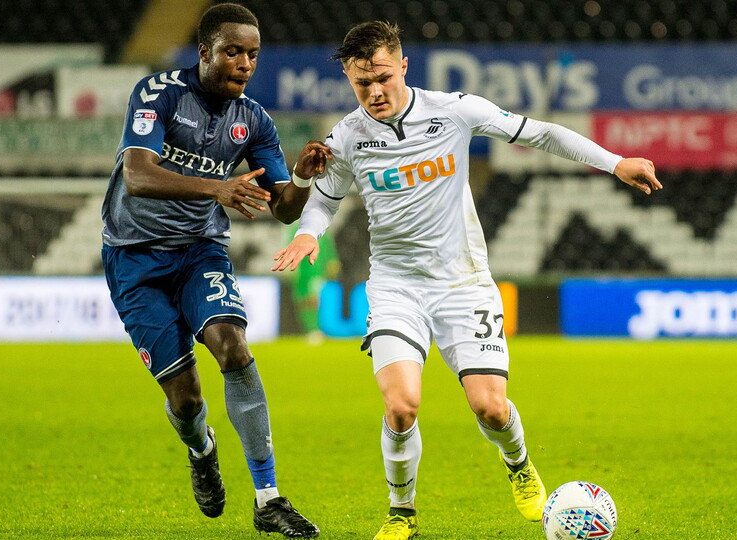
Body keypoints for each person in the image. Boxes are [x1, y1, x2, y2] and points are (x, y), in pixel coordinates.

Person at [272, 21, 662, 540]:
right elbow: (324, 200)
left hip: (463, 282)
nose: (374, 91)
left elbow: (542, 133)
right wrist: (309, 234)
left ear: (403, 66)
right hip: (395, 286)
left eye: (383, 77)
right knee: (401, 406)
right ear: (349, 79)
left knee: (491, 408)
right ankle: (401, 512)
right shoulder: (346, 137)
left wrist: (614, 163)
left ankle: (518, 464)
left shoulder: (454, 110)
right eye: (362, 83)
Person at [101, 4, 323, 538]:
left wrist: (299, 177)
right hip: (134, 257)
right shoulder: (158, 93)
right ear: (204, 52)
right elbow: (137, 175)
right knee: (186, 398)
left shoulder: (255, 120)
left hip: (200, 250)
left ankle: (268, 499)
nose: (245, 63)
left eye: (253, 54)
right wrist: (217, 188)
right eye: (233, 51)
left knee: (233, 347)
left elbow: (282, 209)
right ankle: (201, 449)